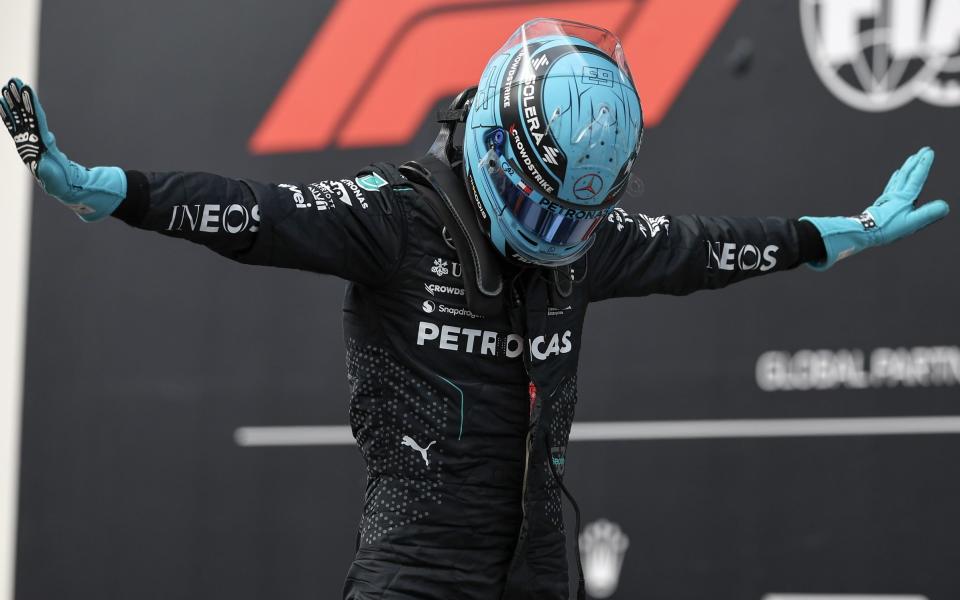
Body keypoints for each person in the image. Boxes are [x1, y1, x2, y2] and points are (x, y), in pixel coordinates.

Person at [1, 17, 949, 600]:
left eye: (575, 214)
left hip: (539, 567)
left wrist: (836, 234)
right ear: (493, 141)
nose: (551, 231)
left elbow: (703, 248)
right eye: (537, 203)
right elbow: (256, 213)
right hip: (416, 572)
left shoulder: (587, 243)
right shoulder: (395, 219)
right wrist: (109, 190)